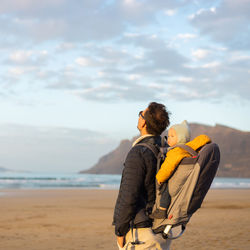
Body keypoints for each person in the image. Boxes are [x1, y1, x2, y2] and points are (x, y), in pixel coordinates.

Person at [113, 102, 171, 249]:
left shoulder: (138, 152)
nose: (139, 117)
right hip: (162, 229)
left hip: (141, 234)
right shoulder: (166, 150)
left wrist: (120, 232)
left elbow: (128, 196)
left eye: (141, 113)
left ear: (143, 121)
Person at [151, 120, 211, 219]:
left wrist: (159, 179)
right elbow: (203, 139)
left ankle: (162, 210)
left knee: (165, 187)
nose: (168, 138)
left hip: (174, 185)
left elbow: (167, 168)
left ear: (181, 138)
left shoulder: (176, 152)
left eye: (172, 136)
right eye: (168, 136)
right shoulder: (189, 149)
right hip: (185, 182)